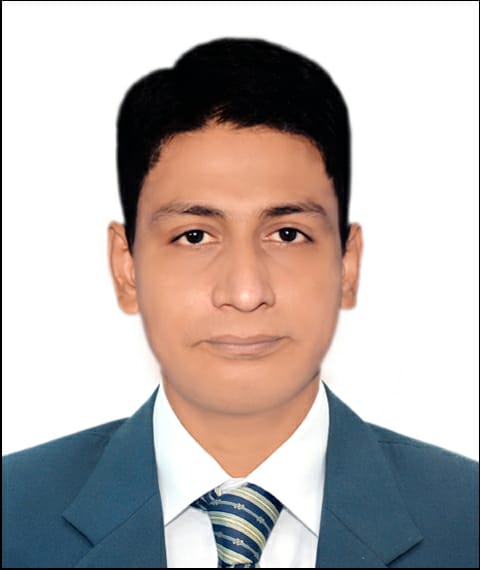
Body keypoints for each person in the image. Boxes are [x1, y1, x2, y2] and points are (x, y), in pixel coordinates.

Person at [2, 37, 478, 569]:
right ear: (126, 267)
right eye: (195, 236)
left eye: (288, 234)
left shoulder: (466, 519)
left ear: (347, 265)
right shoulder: (12, 514)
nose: (246, 292)